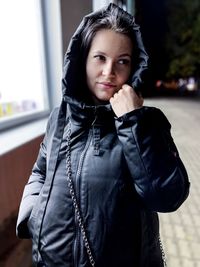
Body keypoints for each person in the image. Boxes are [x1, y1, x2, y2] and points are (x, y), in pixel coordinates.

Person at [16, 3, 190, 267]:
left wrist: (132, 122)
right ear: (82, 59)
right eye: (100, 57)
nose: (109, 72)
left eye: (122, 61)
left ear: (133, 68)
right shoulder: (59, 118)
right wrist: (33, 216)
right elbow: (41, 171)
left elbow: (167, 197)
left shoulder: (147, 122)